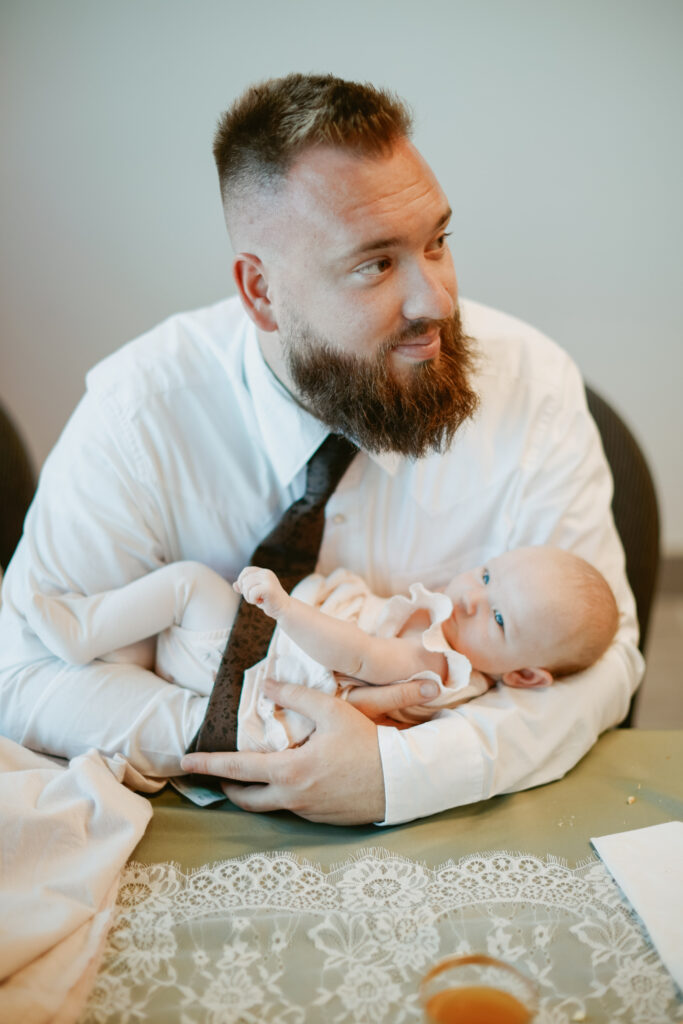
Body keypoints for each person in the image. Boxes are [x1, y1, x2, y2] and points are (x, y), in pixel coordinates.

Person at [0, 73, 643, 826]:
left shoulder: (529, 381)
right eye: (374, 264)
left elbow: (605, 660)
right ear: (261, 292)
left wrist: (396, 771)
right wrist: (255, 735)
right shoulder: (140, 412)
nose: (434, 300)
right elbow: (23, 675)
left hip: (451, 827)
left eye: (436, 242)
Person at [23, 547, 619, 754]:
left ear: (526, 674)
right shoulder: (451, 632)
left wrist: (284, 606)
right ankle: (94, 646)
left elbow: (357, 656)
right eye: (487, 576)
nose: (468, 599)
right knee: (155, 635)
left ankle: (78, 630)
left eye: (496, 616)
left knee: (189, 585)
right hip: (245, 658)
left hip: (256, 666)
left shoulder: (438, 666)